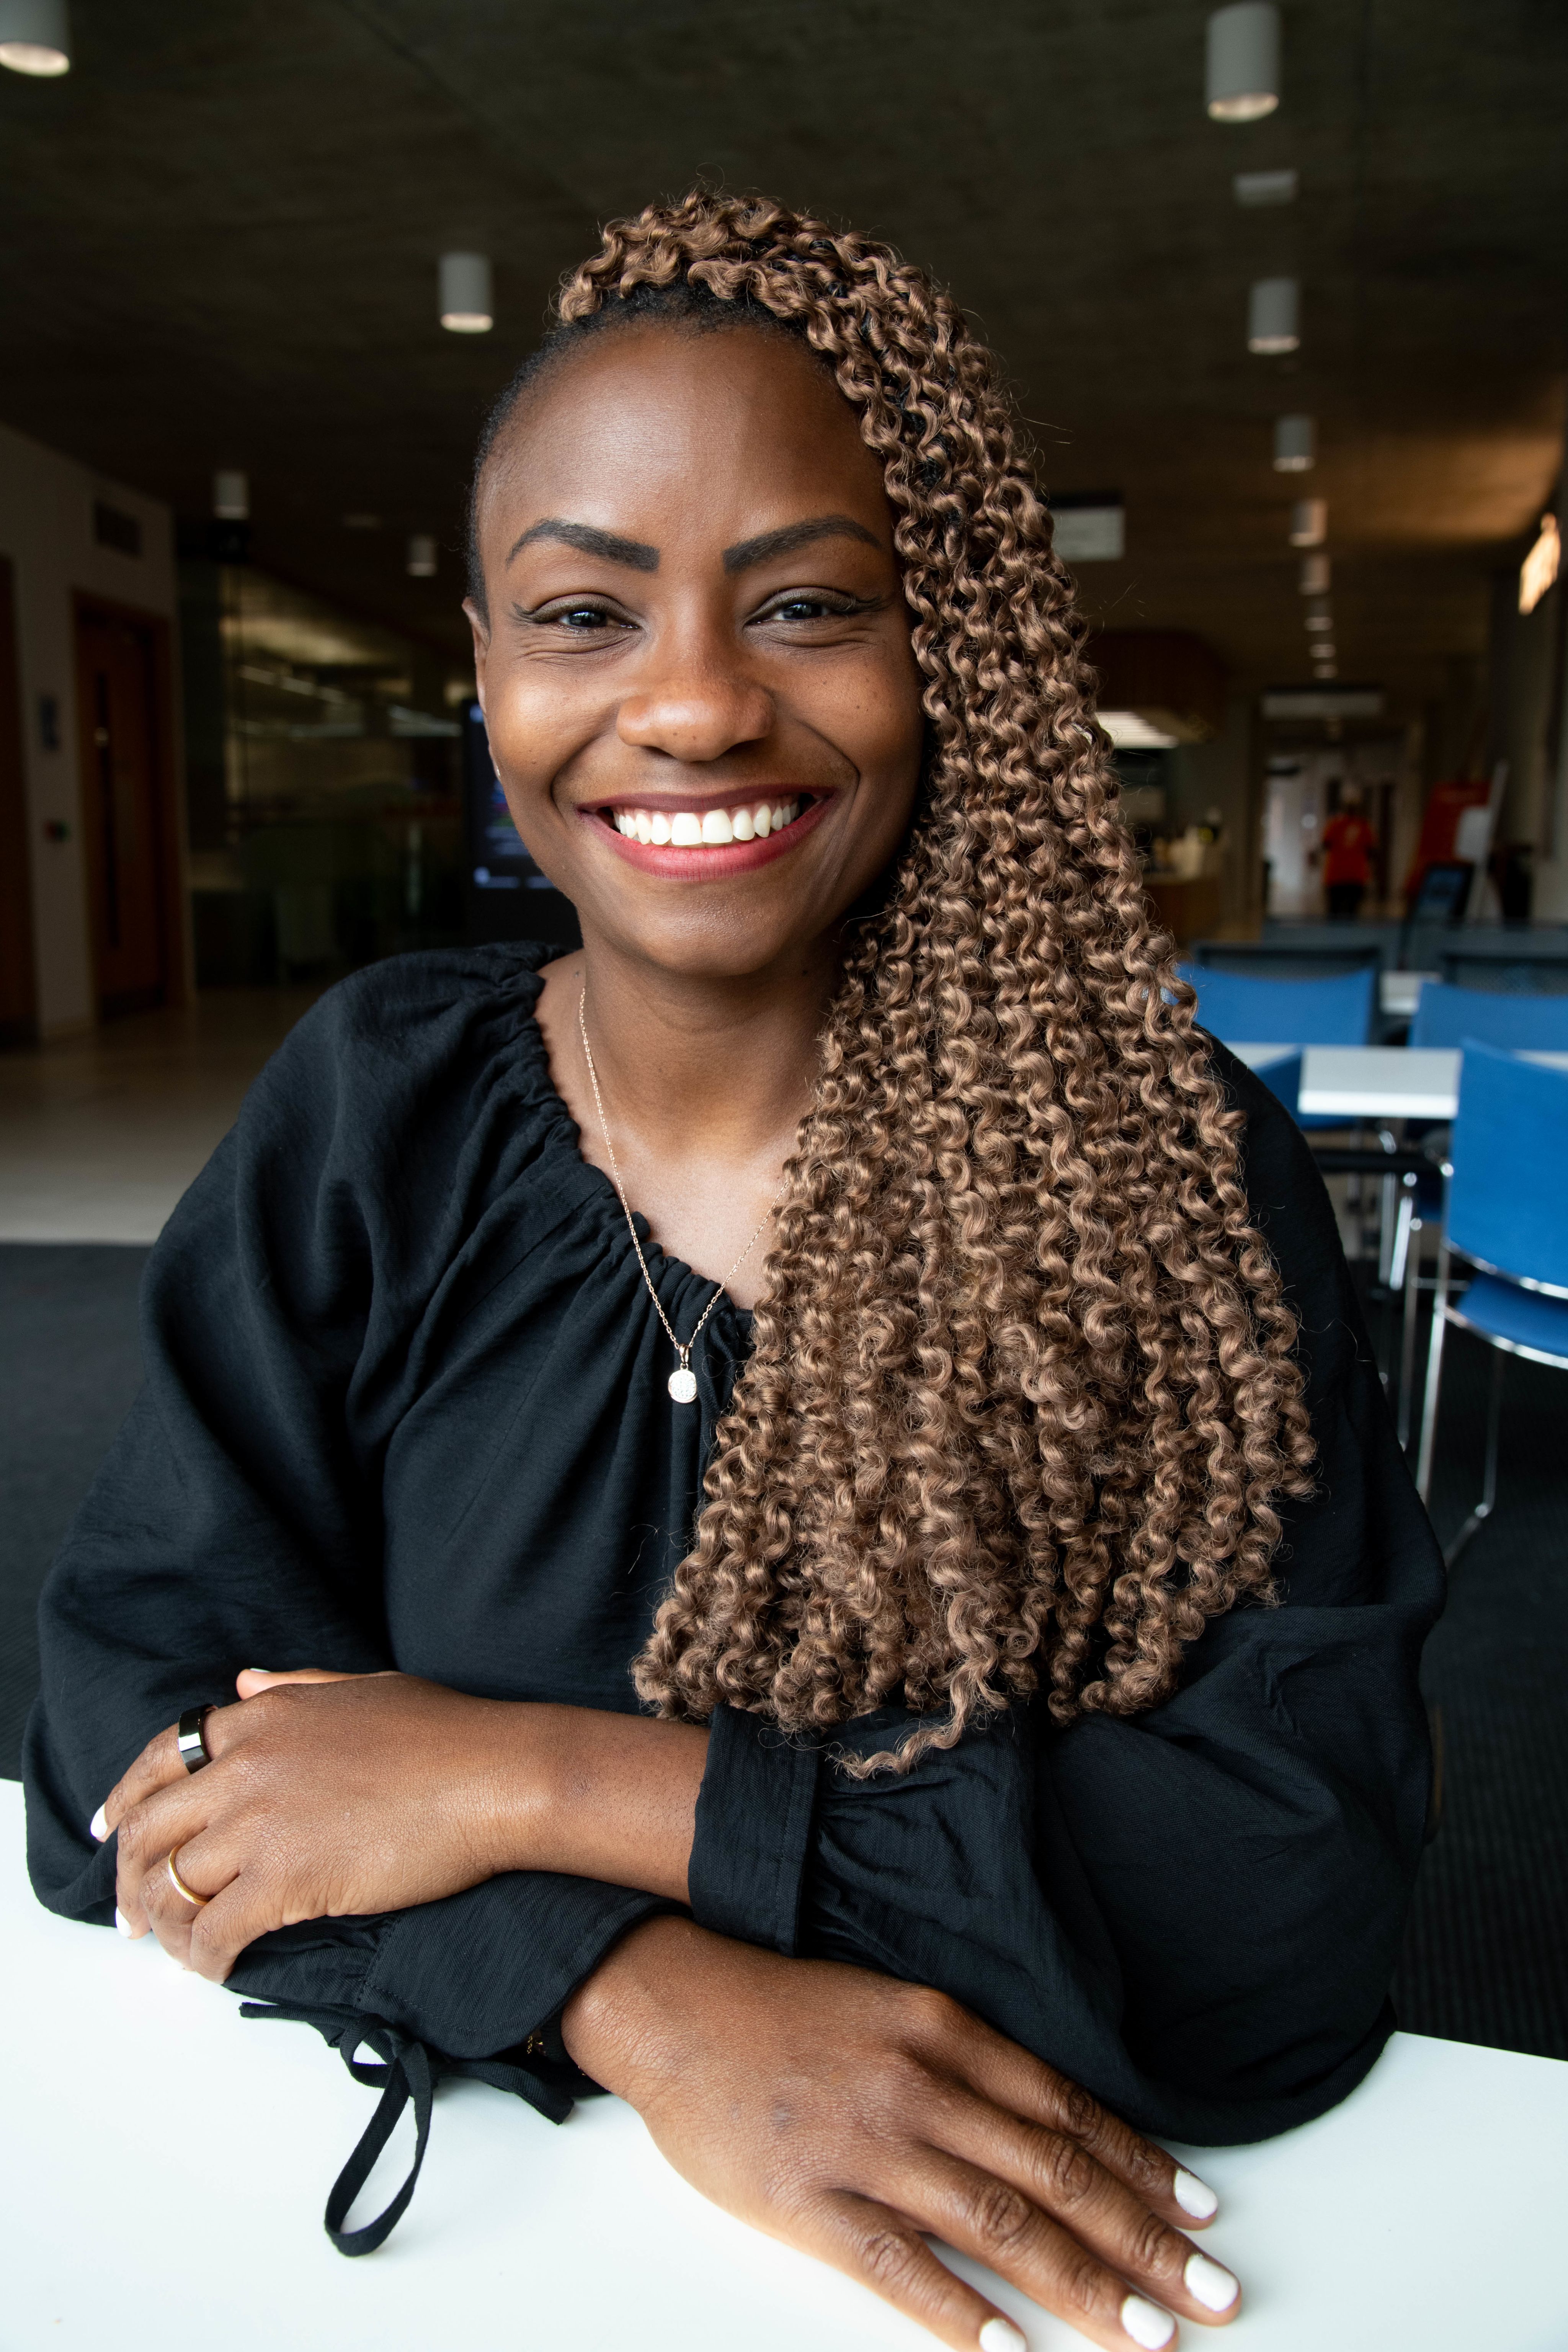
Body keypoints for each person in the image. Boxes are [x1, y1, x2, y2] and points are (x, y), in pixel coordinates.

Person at [25, 195, 1441, 2352]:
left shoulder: (1147, 1178)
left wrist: (524, 1783)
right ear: (484, 677)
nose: (687, 703)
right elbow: (137, 1733)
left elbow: (1262, 1918)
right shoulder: (373, 1116)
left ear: (939, 646)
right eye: (582, 611)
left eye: (801, 604)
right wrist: (634, 1995)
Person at [1320, 783, 1377, 919]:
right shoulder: (1363, 826)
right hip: (1350, 875)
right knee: (1350, 914)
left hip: (1342, 875)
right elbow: (1372, 851)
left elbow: (1326, 845)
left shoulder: (1335, 824)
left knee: (1336, 913)